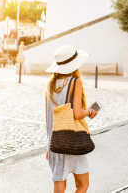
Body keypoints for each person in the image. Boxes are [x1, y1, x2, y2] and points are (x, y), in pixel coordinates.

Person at [45, 45, 98, 193]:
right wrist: (90, 111)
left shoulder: (50, 84)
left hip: (55, 142)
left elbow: (48, 118)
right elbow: (77, 114)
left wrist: (49, 145)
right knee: (82, 185)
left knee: (59, 186)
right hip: (73, 142)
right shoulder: (75, 82)